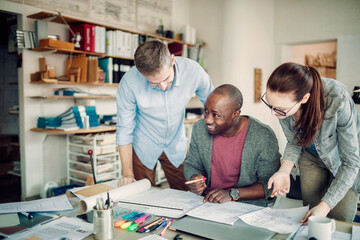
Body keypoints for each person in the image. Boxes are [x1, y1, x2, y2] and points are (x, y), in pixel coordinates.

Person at [263, 62, 360, 222]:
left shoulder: (336, 98)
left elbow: (351, 162)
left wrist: (325, 205)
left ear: (305, 98)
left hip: (345, 160)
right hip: (310, 156)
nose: (274, 113)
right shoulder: (283, 106)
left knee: (339, 218)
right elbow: (294, 141)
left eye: (280, 109)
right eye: (270, 105)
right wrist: (284, 170)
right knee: (311, 217)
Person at [116, 40, 213, 190]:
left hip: (176, 144)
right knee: (143, 198)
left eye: (167, 79)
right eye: (154, 83)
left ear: (172, 60)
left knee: (188, 193)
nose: (162, 87)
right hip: (143, 145)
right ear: (142, 74)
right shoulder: (129, 83)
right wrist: (128, 174)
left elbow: (214, 104)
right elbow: (124, 129)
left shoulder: (193, 71)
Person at [184, 84, 281, 206]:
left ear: (235, 114)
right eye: (206, 111)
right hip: (207, 203)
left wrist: (232, 194)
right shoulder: (199, 129)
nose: (208, 120)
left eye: (215, 115)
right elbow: (192, 165)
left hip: (246, 206)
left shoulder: (263, 136)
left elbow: (269, 185)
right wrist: (194, 178)